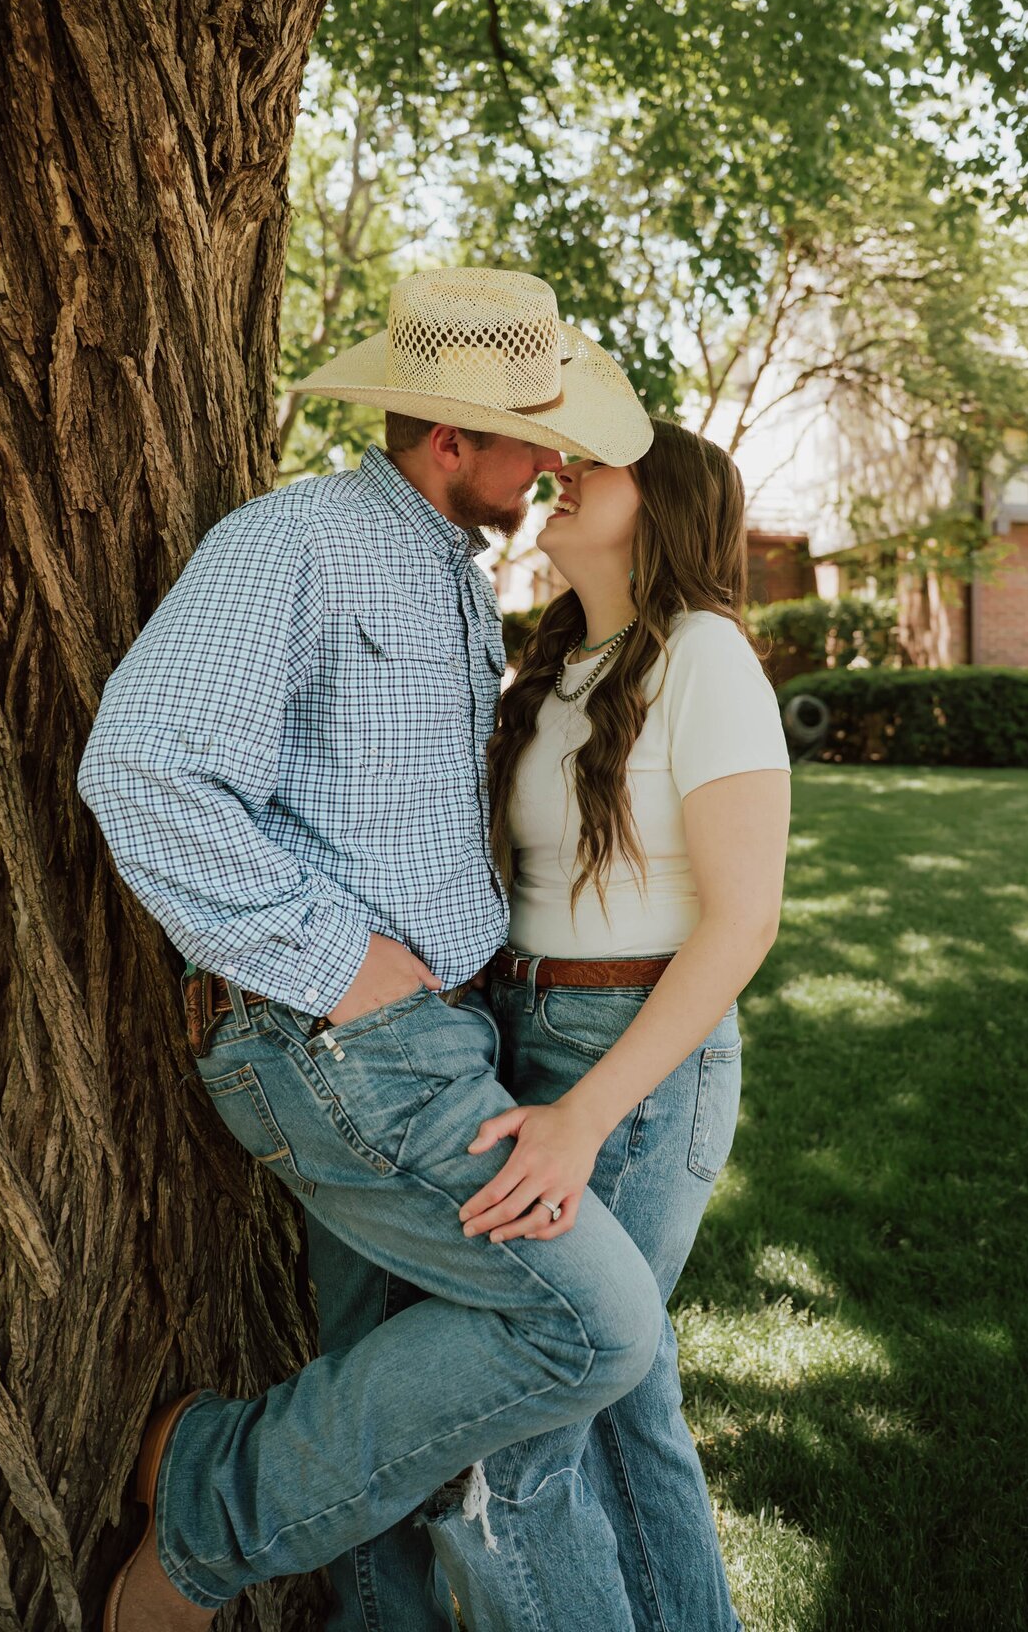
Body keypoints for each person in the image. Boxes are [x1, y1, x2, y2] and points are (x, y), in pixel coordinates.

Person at [77, 267, 667, 1632]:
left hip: (425, 1036)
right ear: (449, 436)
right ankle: (209, 1500)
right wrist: (340, 963)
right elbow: (145, 769)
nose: (555, 458)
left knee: (389, 1377)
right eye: (532, 433)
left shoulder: (445, 573)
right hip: (343, 1040)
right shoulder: (298, 545)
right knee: (597, 1325)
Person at [328, 418, 791, 1630]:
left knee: (524, 1436)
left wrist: (587, 1115)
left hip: (634, 1059)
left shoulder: (707, 656)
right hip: (520, 1033)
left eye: (606, 463)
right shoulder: (560, 661)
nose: (565, 471)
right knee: (628, 1416)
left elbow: (742, 924)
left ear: (672, 502)